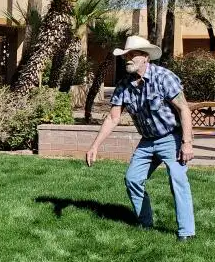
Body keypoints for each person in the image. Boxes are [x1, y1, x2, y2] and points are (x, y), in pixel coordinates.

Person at [84, 35, 196, 241]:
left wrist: (186, 143)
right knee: (133, 179)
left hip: (171, 137)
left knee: (177, 179)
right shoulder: (124, 86)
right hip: (147, 141)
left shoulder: (164, 77)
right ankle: (145, 223)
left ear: (145, 57)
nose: (127, 58)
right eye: (126, 55)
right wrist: (94, 146)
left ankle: (186, 232)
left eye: (132, 54)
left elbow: (184, 109)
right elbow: (112, 117)